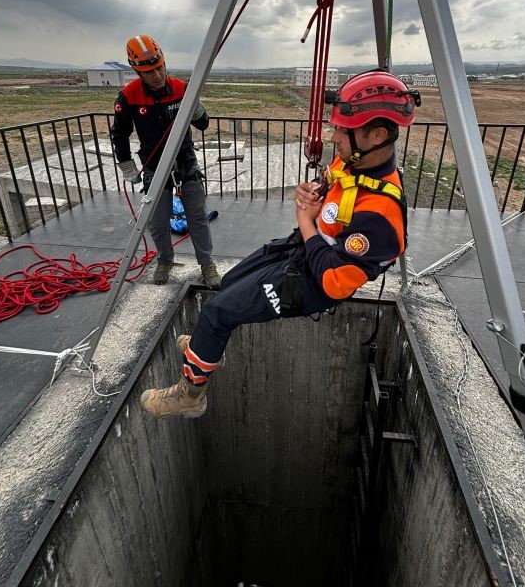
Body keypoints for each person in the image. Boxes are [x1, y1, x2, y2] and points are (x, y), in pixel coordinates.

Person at [139, 70, 421, 418]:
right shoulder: (356, 163)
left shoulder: (381, 214)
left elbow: (334, 283)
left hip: (314, 282)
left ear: (376, 135)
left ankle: (190, 394)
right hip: (305, 253)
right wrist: (313, 191)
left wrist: (306, 221)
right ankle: (209, 349)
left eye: (343, 132)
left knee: (216, 313)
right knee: (228, 285)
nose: (334, 137)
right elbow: (333, 183)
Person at [111, 34, 221, 289]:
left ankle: (206, 263)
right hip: (154, 166)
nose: (157, 76)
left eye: (160, 68)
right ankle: (165, 260)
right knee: (158, 221)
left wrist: (194, 103)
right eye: (150, 72)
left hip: (184, 161)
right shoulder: (129, 96)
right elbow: (120, 133)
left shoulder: (183, 89)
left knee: (197, 216)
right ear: (137, 71)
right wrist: (127, 166)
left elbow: (203, 124)